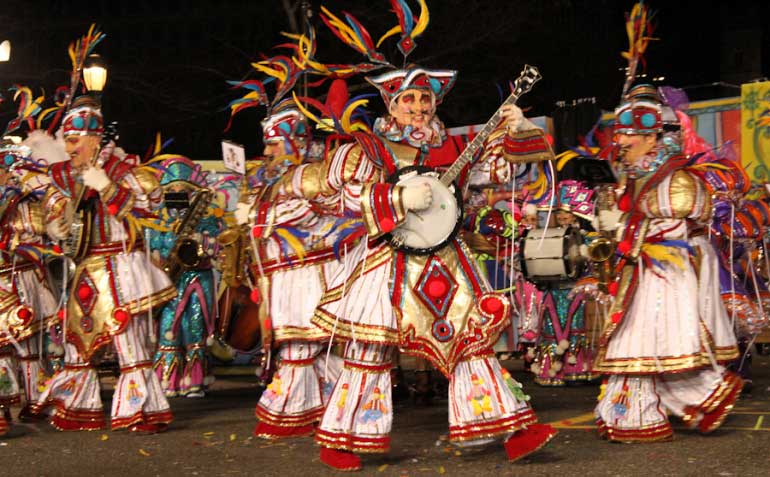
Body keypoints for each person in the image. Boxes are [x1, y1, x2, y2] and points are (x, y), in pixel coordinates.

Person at [285, 66, 557, 471]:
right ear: (391, 106)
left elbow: (499, 173)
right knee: (369, 348)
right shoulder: (370, 149)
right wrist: (395, 197)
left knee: (470, 341)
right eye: (408, 99)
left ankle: (513, 430)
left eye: (425, 98)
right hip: (388, 260)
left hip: (446, 262)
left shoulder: (455, 148)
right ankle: (344, 438)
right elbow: (337, 199)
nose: (417, 107)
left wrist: (515, 129)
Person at [593, 85, 742, 442]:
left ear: (651, 138)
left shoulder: (676, 178)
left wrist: (626, 232)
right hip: (646, 271)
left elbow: (671, 227)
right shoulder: (638, 176)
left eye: (629, 140)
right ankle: (675, 406)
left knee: (646, 346)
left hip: (666, 274)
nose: (622, 146)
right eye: (621, 140)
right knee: (644, 348)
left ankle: (653, 413)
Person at [32, 96, 176, 433]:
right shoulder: (63, 176)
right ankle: (78, 407)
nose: (68, 148)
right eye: (66, 140)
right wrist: (58, 224)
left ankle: (140, 411)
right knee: (77, 341)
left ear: (95, 139)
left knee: (129, 340)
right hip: (86, 268)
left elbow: (149, 213)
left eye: (74, 141)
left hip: (122, 267)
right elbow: (52, 218)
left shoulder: (125, 171)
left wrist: (108, 188)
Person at [234, 100, 343, 439]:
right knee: (303, 346)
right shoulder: (266, 178)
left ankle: (290, 414)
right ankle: (330, 408)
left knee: (303, 343)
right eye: (266, 142)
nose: (267, 150)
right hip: (279, 274)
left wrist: (256, 217)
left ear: (293, 141)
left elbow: (306, 213)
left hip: (308, 272)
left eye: (274, 142)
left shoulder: (310, 173)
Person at [149, 157, 222, 398]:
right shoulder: (158, 221)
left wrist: (202, 243)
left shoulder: (206, 218)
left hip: (197, 278)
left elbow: (215, 247)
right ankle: (169, 379)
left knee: (195, 326)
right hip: (170, 280)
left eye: (183, 190)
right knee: (169, 327)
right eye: (172, 190)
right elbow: (152, 249)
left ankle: (195, 380)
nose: (178, 194)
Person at [0, 141, 58, 435]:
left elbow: (44, 235)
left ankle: (36, 402)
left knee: (29, 345)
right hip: (3, 281)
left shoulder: (27, 202)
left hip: (24, 278)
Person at [530, 180, 595, 386]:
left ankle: (575, 368)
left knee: (575, 326)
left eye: (566, 212)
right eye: (558, 212)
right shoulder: (546, 236)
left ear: (576, 214)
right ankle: (552, 370)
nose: (562, 216)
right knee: (551, 328)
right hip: (554, 289)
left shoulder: (585, 238)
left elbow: (592, 263)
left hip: (574, 290)